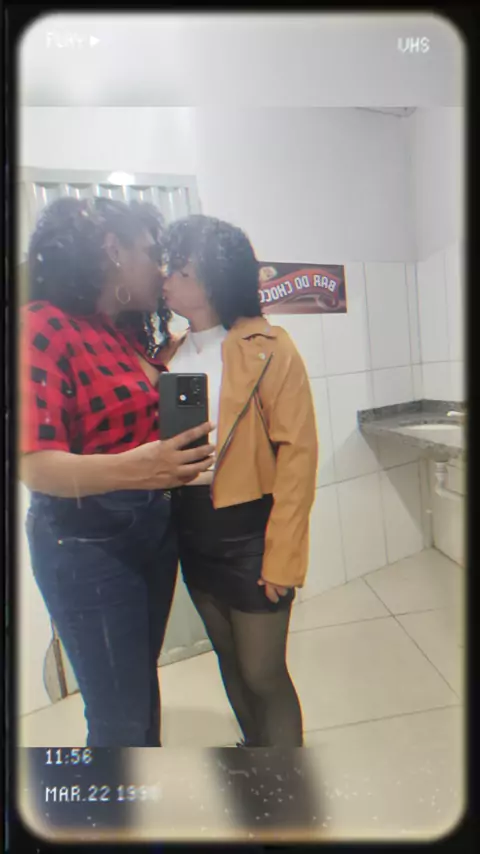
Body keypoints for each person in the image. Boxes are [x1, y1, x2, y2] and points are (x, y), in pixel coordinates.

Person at [19, 197, 214, 747]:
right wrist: (140, 467)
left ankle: (139, 791)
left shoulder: (120, 332)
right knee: (119, 720)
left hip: (149, 532)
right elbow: (35, 465)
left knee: (139, 693)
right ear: (113, 251)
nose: (159, 268)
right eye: (151, 253)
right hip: (87, 544)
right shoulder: (41, 326)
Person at [160, 215, 318, 748]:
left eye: (180, 271)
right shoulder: (168, 354)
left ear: (212, 281)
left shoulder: (269, 346)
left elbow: (298, 457)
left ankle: (289, 784)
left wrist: (284, 555)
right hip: (193, 532)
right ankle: (258, 768)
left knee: (263, 672)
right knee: (228, 660)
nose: (166, 280)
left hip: (252, 533)